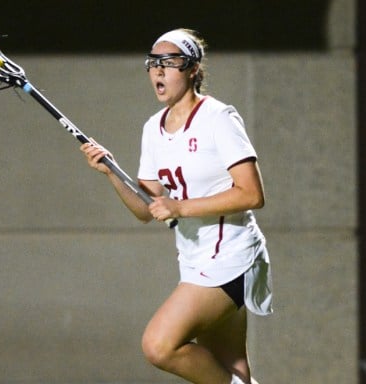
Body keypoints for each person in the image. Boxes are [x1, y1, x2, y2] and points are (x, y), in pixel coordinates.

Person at [80, 28, 272, 384]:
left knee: (159, 345)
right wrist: (109, 172)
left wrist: (180, 208)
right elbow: (145, 209)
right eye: (153, 63)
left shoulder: (218, 118)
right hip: (195, 258)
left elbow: (251, 194)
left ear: (193, 69)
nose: (159, 71)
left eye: (170, 63)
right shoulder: (153, 129)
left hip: (231, 256)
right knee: (231, 370)